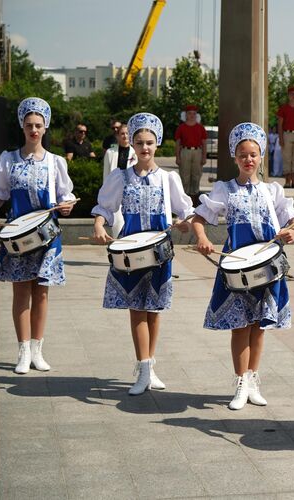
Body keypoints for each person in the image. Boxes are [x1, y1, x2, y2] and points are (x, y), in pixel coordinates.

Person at [192, 122, 294, 411]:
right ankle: (240, 381)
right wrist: (203, 238)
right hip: (237, 267)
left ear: (261, 156)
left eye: (253, 154)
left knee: (258, 325)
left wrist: (293, 230)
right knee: (240, 326)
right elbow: (199, 217)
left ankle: (253, 379)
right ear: (235, 157)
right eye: (243, 154)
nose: (248, 159)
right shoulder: (225, 189)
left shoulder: (273, 191)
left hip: (267, 268)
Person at [92, 112, 194, 395]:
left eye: (149, 142)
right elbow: (104, 208)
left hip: (159, 252)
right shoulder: (121, 177)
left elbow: (186, 210)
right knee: (137, 309)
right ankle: (143, 368)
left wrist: (186, 224)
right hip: (131, 252)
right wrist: (100, 225)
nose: (145, 147)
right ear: (132, 145)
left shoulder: (168, 178)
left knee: (154, 310)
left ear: (157, 143)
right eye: (139, 142)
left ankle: (150, 366)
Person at [0, 97, 76, 374]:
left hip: (48, 236)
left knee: (42, 293)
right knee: (21, 292)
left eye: (38, 125)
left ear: (45, 128)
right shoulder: (8, 160)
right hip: (18, 237)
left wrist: (68, 204)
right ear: (22, 127)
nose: (34, 130)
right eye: (29, 125)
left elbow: (65, 194)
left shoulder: (56, 162)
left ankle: (38, 350)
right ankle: (23, 351)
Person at [101, 124, 136, 238]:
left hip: (131, 192)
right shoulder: (110, 153)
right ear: (117, 136)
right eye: (122, 134)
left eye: (127, 133)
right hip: (115, 191)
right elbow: (106, 175)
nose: (125, 136)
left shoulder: (136, 152)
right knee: (117, 223)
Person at [174, 105, 207, 196]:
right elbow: (178, 143)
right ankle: (185, 195)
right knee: (184, 175)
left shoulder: (200, 127)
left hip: (198, 152)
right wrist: (177, 157)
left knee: (196, 175)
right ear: (186, 115)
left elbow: (204, 143)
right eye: (190, 113)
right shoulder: (181, 127)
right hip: (185, 151)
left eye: (194, 113)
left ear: (196, 115)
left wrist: (204, 156)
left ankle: (195, 195)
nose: (192, 115)